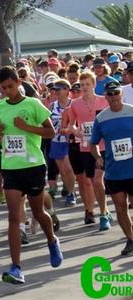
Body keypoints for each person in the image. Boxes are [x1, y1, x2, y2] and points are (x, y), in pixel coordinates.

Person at [0, 66, 62, 284]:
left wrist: (27, 127)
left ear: (18, 83)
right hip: (11, 165)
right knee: (13, 216)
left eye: (10, 86)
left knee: (38, 213)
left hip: (33, 165)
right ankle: (15, 267)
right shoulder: (0, 105)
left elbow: (51, 132)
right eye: (3, 88)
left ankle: (52, 240)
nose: (7, 91)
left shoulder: (33, 104)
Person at [90, 81, 133, 255]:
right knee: (120, 207)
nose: (114, 97)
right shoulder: (101, 118)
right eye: (110, 94)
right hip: (114, 171)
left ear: (120, 94)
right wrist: (97, 157)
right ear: (106, 97)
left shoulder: (131, 111)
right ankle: (130, 239)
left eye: (116, 93)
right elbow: (92, 143)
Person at [67, 71, 113, 230]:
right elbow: (71, 125)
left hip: (103, 146)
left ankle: (103, 214)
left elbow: (110, 120)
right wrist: (75, 131)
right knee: (92, 182)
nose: (85, 87)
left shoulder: (104, 101)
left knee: (97, 181)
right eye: (82, 85)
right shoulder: (75, 104)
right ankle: (103, 210)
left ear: (94, 85)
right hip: (86, 147)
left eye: (88, 84)